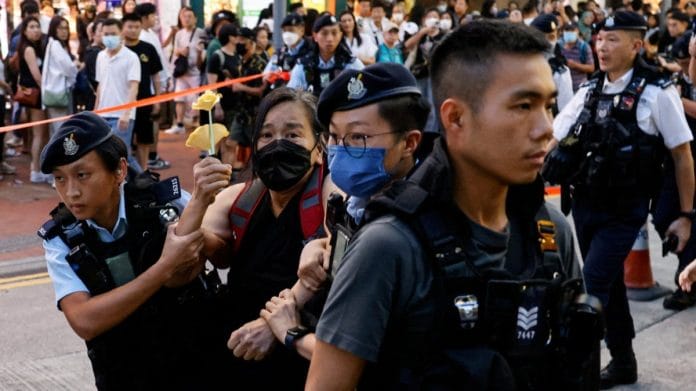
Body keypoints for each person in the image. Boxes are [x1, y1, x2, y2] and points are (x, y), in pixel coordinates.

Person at [307, 20, 597, 390]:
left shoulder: (550, 233)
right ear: (455, 117)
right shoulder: (389, 247)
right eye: (523, 105)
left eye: (548, 106)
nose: (546, 129)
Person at [544, 11, 695, 389]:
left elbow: (682, 155)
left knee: (590, 287)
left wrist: (686, 215)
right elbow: (554, 137)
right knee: (609, 289)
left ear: (636, 45)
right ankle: (624, 362)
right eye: (599, 39)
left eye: (613, 40)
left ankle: (574, 372)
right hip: (584, 205)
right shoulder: (590, 90)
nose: (602, 46)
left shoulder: (657, 92)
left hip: (624, 211)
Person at [38, 111, 223, 390]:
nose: (71, 192)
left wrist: (199, 231)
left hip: (195, 364)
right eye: (60, 179)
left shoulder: (165, 202)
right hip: (123, 374)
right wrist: (165, 267)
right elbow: (85, 320)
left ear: (120, 171)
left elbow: (225, 253)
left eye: (82, 175)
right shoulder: (61, 238)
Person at [259, 63, 428, 361]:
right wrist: (318, 244)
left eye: (358, 138)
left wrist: (290, 332)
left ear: (409, 142)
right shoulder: (358, 200)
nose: (341, 149)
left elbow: (358, 355)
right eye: (335, 138)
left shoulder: (407, 224)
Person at [174, 87, 329, 389]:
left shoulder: (328, 192)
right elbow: (177, 264)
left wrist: (272, 324)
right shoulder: (240, 198)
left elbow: (336, 247)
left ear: (319, 148)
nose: (277, 144)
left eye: (293, 135)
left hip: (300, 357)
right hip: (240, 353)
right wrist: (199, 198)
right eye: (267, 136)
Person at [652, 33, 696, 311]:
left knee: (683, 217)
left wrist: (675, 103)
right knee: (666, 216)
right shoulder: (679, 83)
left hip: (688, 163)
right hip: (678, 164)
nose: (687, 67)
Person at [94, 18, 142, 173]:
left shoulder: (131, 57)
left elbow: (134, 87)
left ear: (121, 33)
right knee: (107, 154)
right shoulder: (101, 56)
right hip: (103, 114)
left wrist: (126, 114)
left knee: (121, 154)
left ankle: (146, 184)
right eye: (106, 34)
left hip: (121, 115)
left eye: (113, 33)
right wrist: (95, 112)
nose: (109, 37)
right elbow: (100, 86)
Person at [287, 13, 364, 97]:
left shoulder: (351, 64)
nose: (330, 39)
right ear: (315, 36)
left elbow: (364, 94)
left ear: (341, 35)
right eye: (324, 33)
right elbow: (292, 97)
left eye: (334, 33)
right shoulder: (303, 66)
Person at [122, 12, 163, 171]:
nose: (133, 30)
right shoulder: (119, 50)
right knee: (123, 140)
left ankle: (143, 171)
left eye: (137, 27)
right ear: (123, 28)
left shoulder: (148, 49)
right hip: (123, 102)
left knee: (144, 139)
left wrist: (157, 100)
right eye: (130, 27)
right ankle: (125, 174)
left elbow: (156, 77)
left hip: (145, 99)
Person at [136, 2, 172, 171]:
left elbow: (160, 61)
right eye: (153, 15)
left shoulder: (150, 34)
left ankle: (152, 155)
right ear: (144, 18)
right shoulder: (142, 37)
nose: (155, 18)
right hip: (149, 90)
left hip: (158, 86)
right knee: (152, 122)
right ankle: (150, 156)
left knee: (155, 122)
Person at [229, 27, 269, 172]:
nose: (239, 43)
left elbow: (261, 91)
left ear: (251, 43)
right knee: (230, 143)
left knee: (256, 147)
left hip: (255, 114)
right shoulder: (241, 62)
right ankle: (228, 176)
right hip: (241, 112)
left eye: (242, 40)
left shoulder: (260, 64)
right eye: (237, 39)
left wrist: (241, 88)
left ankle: (254, 177)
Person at [18, 16, 50, 184]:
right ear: (25, 30)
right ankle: (36, 170)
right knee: (39, 134)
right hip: (36, 95)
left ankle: (37, 168)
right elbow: (36, 75)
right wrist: (47, 91)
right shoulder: (28, 49)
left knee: (40, 133)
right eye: (31, 27)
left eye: (37, 26)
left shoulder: (36, 47)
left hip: (35, 94)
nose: (36, 30)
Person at [164, 6, 205, 135]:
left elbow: (203, 53)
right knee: (179, 99)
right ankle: (179, 124)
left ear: (195, 19)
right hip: (181, 71)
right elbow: (175, 51)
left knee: (197, 100)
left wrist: (198, 53)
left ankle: (196, 123)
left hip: (195, 72)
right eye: (184, 17)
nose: (186, 19)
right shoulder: (179, 34)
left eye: (190, 17)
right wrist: (180, 52)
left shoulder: (201, 33)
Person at [42, 16, 79, 135]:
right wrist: (76, 67)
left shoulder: (56, 45)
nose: (64, 31)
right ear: (54, 29)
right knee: (61, 130)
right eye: (60, 28)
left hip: (58, 92)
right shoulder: (55, 45)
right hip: (59, 93)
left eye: (66, 28)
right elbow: (68, 68)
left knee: (59, 130)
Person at [530, 13, 574, 113]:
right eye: (542, 38)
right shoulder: (518, 63)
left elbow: (566, 111)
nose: (547, 42)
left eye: (551, 37)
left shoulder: (560, 72)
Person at [262, 13, 313, 89]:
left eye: (291, 30)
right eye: (284, 31)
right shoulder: (280, 53)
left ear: (302, 30)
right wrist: (271, 76)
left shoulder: (311, 51)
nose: (287, 34)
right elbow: (266, 74)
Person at [560, 22, 595, 91]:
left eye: (572, 30)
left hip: (579, 88)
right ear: (563, 32)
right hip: (563, 88)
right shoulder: (559, 45)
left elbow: (591, 68)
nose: (569, 33)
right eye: (567, 30)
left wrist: (576, 65)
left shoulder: (584, 47)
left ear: (577, 31)